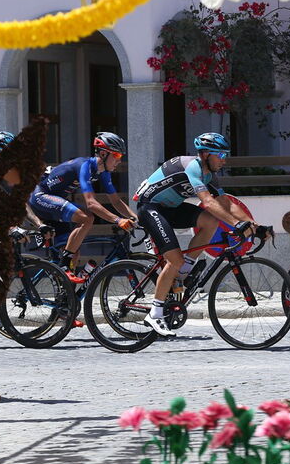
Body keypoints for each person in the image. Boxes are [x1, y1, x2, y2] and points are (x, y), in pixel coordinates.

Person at [134, 132, 254, 336]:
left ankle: (183, 271)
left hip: (170, 209)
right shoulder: (193, 167)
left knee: (210, 221)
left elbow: (226, 203)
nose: (224, 160)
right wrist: (236, 225)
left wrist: (253, 225)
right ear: (206, 154)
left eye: (226, 155)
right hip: (150, 208)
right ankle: (154, 314)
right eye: (220, 155)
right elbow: (207, 202)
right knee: (174, 259)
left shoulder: (209, 176)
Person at [28, 132, 136, 281]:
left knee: (74, 250)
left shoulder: (103, 172)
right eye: (117, 156)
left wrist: (135, 218)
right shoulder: (84, 165)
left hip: (55, 202)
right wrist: (118, 220)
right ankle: (65, 263)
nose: (119, 160)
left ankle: (66, 297)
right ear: (104, 154)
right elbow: (91, 203)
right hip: (41, 197)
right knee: (86, 218)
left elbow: (116, 201)